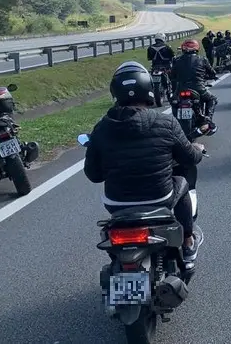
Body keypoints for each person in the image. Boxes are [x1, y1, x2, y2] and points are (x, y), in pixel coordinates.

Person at [83, 61, 205, 266]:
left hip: (116, 203)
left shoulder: (102, 127)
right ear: (147, 88)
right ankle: (187, 240)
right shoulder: (167, 123)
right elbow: (190, 158)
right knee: (182, 181)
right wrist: (198, 150)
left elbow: (93, 175)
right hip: (160, 197)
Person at [171, 40, 218, 133]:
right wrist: (212, 76)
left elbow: (172, 75)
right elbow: (212, 72)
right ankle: (207, 120)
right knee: (212, 99)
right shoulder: (202, 59)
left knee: (174, 101)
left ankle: (176, 120)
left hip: (181, 88)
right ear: (196, 48)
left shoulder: (177, 60)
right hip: (198, 88)